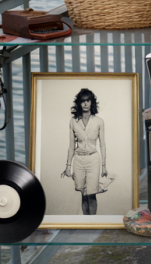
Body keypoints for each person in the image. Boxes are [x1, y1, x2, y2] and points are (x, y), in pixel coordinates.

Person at [61, 88, 107, 216]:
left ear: (92, 102)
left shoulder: (99, 122)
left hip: (93, 160)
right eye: (83, 101)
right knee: (83, 193)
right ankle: (86, 221)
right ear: (79, 103)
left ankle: (93, 222)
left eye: (88, 100)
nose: (85, 103)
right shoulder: (73, 121)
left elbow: (102, 145)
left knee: (92, 194)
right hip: (79, 160)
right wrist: (68, 167)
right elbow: (71, 146)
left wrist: (104, 166)